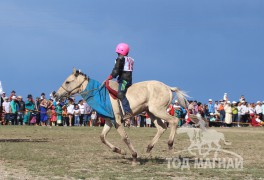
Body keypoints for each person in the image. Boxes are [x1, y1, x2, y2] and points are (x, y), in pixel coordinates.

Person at [107, 43, 134, 120]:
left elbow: (117, 69)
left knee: (120, 94)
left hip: (124, 81)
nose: (117, 54)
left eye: (118, 53)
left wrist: (111, 76)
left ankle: (128, 112)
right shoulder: (131, 59)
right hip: (128, 80)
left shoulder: (120, 58)